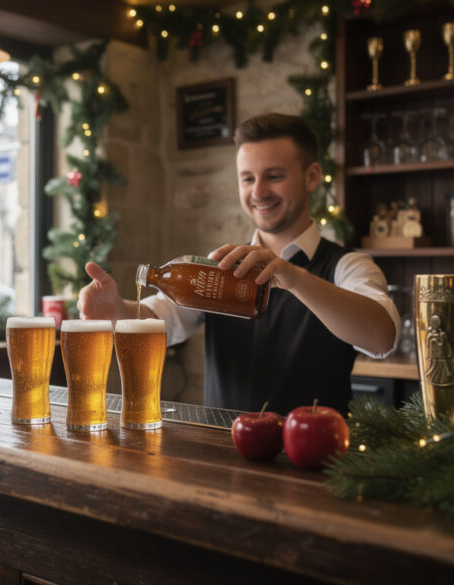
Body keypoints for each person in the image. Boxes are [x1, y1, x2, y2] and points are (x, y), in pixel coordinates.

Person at [77, 113, 399, 414]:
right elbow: (162, 320)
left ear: (312, 176)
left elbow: (381, 337)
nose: (258, 191)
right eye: (247, 179)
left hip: (314, 466)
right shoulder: (223, 266)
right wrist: (115, 309)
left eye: (274, 176)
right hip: (223, 459)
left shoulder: (348, 265)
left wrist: (295, 278)